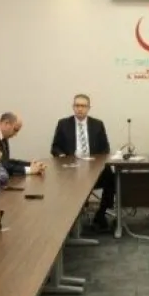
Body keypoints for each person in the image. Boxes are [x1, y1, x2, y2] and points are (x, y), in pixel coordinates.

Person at [50, 94, 113, 230]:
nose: (80, 109)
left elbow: (105, 148)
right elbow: (55, 147)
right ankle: (71, 218)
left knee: (110, 176)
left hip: (93, 168)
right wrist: (63, 156)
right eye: (77, 105)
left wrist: (96, 162)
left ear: (88, 108)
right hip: (71, 168)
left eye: (83, 106)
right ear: (73, 107)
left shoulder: (97, 124)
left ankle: (101, 214)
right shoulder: (63, 124)